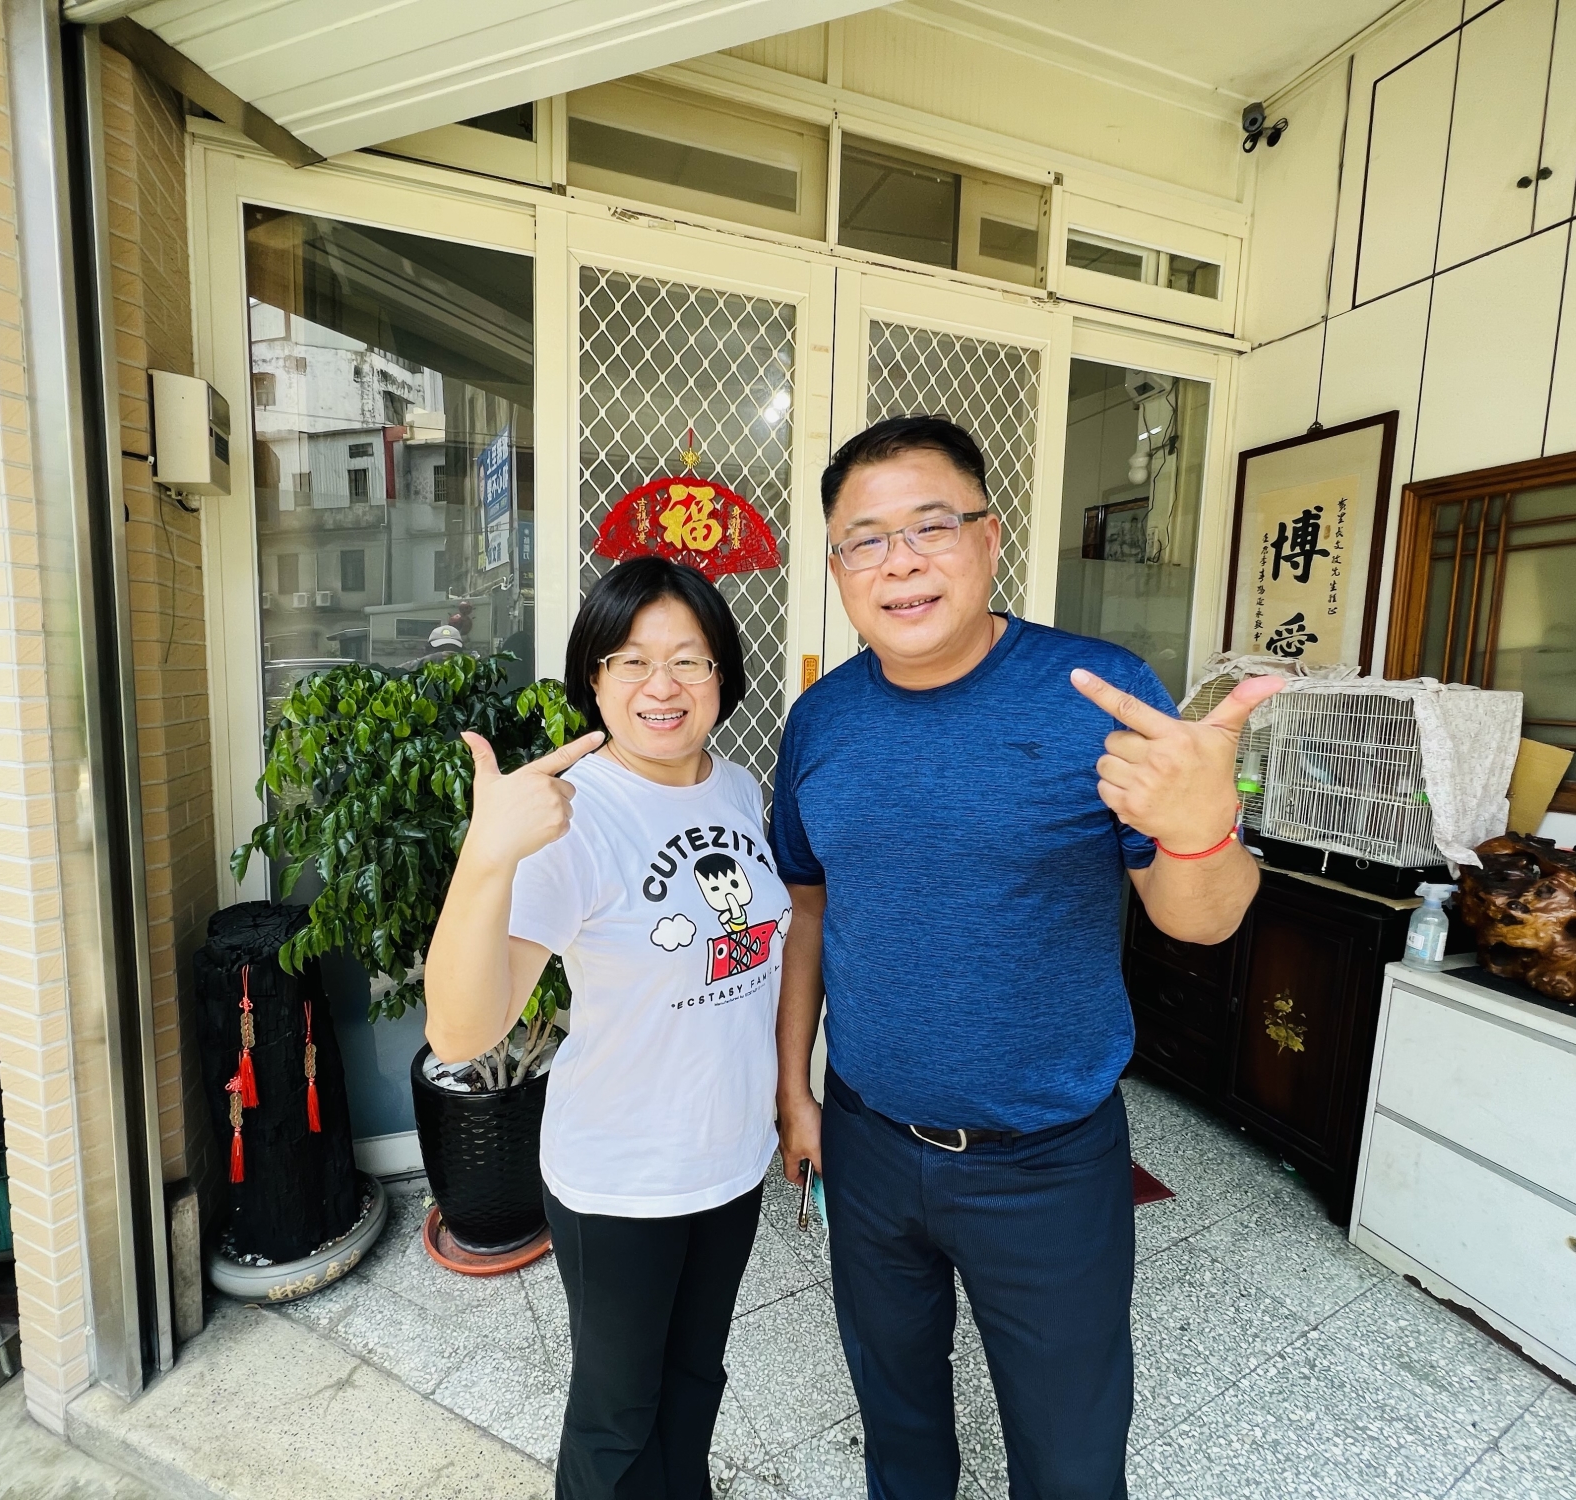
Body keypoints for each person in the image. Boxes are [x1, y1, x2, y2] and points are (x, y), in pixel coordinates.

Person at [770, 415, 1278, 1500]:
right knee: (897, 1427)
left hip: (1045, 1163)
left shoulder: (1096, 691)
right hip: (866, 1139)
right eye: (866, 540)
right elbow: (808, 912)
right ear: (837, 566)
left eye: (931, 526)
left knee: (1069, 1456)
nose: (901, 562)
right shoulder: (819, 721)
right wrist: (794, 1091)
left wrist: (1202, 828)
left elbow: (1202, 920)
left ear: (989, 537)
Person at [425, 556, 789, 1500]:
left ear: (722, 675)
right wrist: (487, 853)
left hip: (730, 1161)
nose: (662, 685)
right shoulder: (570, 818)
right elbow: (461, 1032)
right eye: (631, 661)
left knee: (695, 1384)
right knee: (617, 1419)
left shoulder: (740, 790)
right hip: (622, 1177)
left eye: (688, 659)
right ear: (594, 679)